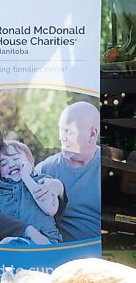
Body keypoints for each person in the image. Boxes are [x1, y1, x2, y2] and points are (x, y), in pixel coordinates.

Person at [36, 101, 101, 242]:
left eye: (69, 131)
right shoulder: (45, 169)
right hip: (62, 256)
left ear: (92, 134)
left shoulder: (112, 167)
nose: (61, 137)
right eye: (61, 130)